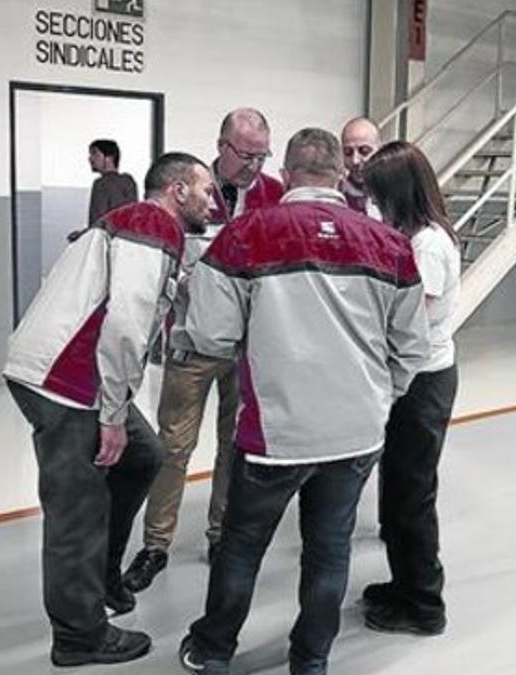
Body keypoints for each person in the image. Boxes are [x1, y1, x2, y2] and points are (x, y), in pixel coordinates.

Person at [177, 128, 430, 675]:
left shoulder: (245, 235)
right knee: (329, 549)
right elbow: (413, 345)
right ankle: (310, 659)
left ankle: (213, 649)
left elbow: (213, 337)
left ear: (286, 176)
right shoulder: (390, 244)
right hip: (357, 431)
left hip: (276, 434)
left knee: (242, 546)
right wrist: (382, 395)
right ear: (341, 176)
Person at [4, 153, 215, 667]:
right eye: (207, 190)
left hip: (77, 376)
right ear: (179, 189)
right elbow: (124, 325)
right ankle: (79, 636)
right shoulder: (151, 222)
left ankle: (100, 577)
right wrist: (113, 416)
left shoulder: (145, 228)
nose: (215, 201)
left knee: (145, 457)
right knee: (77, 510)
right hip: (65, 381)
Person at [123, 108, 285, 594]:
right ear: (221, 144)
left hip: (246, 348)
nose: (254, 165)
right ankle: (154, 545)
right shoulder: (188, 189)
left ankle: (221, 535)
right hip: (189, 346)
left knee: (236, 448)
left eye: (262, 155)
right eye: (245, 154)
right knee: (173, 448)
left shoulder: (273, 195)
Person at [357, 141, 460, 636]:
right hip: (413, 377)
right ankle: (403, 584)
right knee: (398, 489)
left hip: (424, 382)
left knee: (412, 494)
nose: (373, 203)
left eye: (378, 194)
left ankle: (423, 604)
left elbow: (411, 317)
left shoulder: (429, 244)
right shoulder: (411, 233)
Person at [339, 116, 384, 219]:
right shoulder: (337, 197)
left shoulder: (397, 194)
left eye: (364, 151)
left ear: (381, 150)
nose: (355, 160)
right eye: (348, 152)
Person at [87, 139, 139, 223]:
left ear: (109, 158)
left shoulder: (101, 184)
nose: (90, 158)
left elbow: (97, 222)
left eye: (94, 153)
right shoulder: (129, 182)